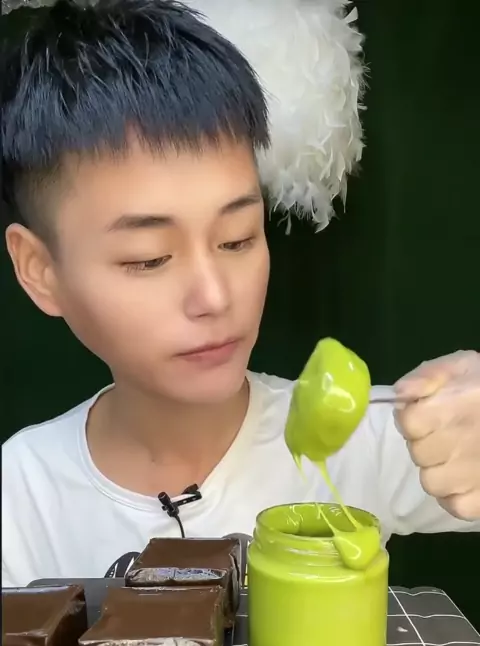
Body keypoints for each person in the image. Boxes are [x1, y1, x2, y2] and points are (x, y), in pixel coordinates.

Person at [1, 0, 479, 587]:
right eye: (148, 257)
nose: (214, 296)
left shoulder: (373, 438)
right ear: (40, 270)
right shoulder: (19, 496)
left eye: (237, 238)